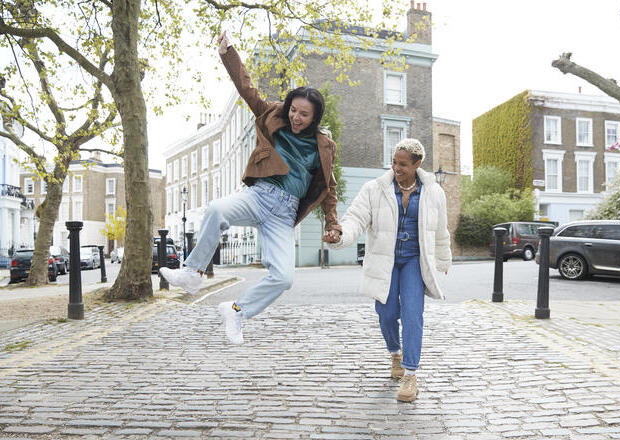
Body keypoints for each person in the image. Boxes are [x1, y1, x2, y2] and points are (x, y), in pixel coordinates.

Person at [161, 31, 341, 345]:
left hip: (284, 215)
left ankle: (237, 311)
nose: (296, 117)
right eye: (294, 110)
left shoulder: (324, 146)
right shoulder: (272, 114)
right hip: (259, 196)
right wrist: (228, 52)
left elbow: (329, 188)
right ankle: (192, 274)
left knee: (284, 277)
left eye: (304, 114)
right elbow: (246, 87)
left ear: (315, 118)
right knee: (217, 209)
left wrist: (333, 223)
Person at [325, 138, 451, 402]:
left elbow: (440, 229)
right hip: (386, 259)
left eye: (403, 164)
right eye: (394, 162)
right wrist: (340, 235)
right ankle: (395, 352)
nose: (396, 168)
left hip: (415, 261)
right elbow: (356, 218)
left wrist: (443, 259)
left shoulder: (434, 192)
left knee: (413, 314)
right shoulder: (375, 189)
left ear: (418, 164)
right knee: (386, 312)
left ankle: (410, 375)